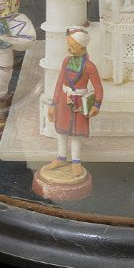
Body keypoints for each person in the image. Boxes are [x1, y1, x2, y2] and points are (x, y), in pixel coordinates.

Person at [46, 27, 103, 177]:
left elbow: (98, 88)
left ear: (82, 47)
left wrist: (96, 105)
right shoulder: (66, 61)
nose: (69, 49)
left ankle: (76, 161)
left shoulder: (89, 66)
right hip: (64, 100)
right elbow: (59, 83)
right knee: (62, 130)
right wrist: (53, 104)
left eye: (72, 46)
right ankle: (61, 157)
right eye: (69, 45)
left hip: (79, 103)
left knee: (76, 132)